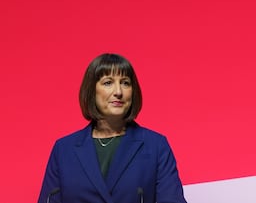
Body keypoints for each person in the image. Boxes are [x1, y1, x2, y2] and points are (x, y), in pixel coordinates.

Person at [38, 53, 187, 203]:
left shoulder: (155, 146)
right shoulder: (64, 149)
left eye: (125, 83)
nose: (118, 92)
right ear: (91, 91)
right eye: (108, 82)